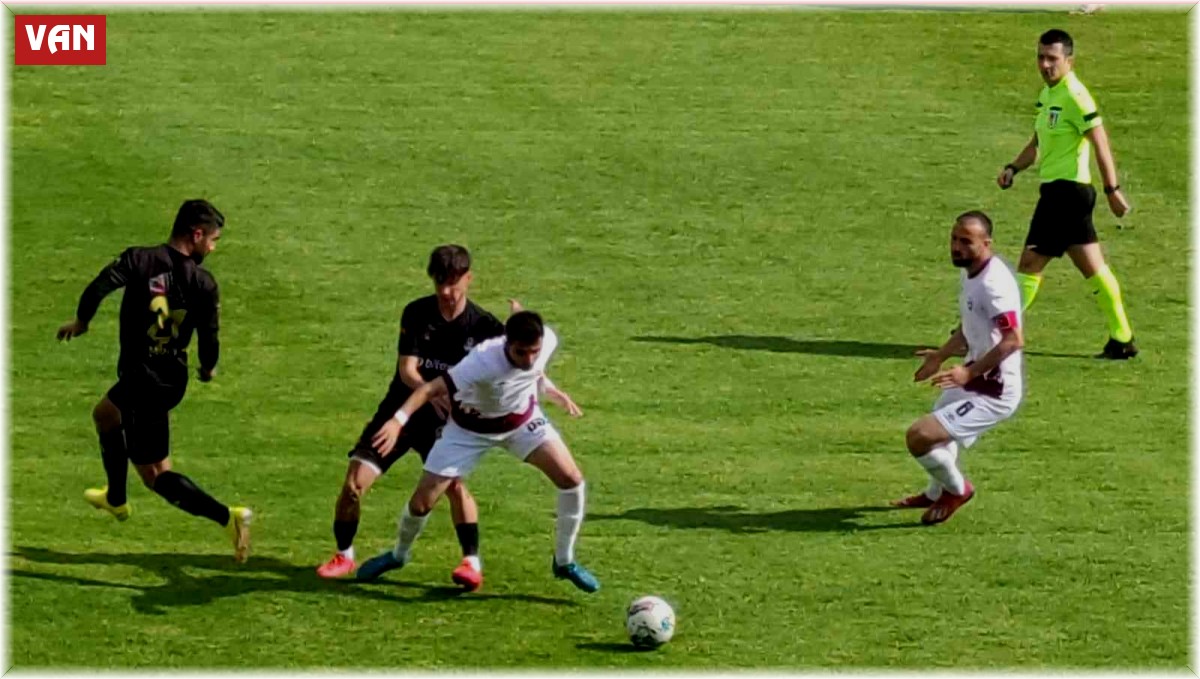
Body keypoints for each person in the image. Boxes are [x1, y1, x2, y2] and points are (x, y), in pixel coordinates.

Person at [56, 199, 253, 561]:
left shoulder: (138, 259)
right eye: (213, 240)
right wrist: (208, 367)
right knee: (107, 416)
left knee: (156, 475)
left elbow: (98, 287)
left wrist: (82, 321)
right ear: (196, 234)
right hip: (170, 378)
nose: (213, 248)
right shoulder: (204, 283)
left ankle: (228, 517)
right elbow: (210, 336)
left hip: (144, 380)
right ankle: (116, 498)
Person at [355, 311, 597, 593]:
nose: (529, 359)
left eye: (535, 351)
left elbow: (535, 369)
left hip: (522, 423)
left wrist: (549, 388)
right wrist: (397, 422)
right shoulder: (481, 361)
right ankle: (398, 555)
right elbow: (430, 390)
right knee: (421, 503)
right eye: (521, 352)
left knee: (572, 480)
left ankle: (564, 561)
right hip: (467, 431)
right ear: (507, 343)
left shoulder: (547, 340)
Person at [316, 245, 505, 592]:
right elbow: (407, 371)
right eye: (439, 283)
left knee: (454, 486)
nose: (446, 292)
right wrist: (433, 392)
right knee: (354, 485)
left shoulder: (485, 326)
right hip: (399, 414)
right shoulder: (417, 313)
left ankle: (471, 562)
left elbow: (517, 363)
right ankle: (344, 555)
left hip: (443, 422)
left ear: (469, 279)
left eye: (453, 283)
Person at [997, 28, 1136, 359]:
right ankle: (1122, 338)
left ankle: (989, 333)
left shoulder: (1075, 96)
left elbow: (1100, 142)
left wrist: (1112, 189)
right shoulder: (1048, 95)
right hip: (1064, 194)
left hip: (1066, 194)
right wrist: (1014, 167)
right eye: (1040, 57)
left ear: (1069, 61)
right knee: (1093, 267)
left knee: (1030, 264)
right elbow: (1037, 143)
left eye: (1052, 59)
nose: (1045, 65)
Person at [894, 211, 1025, 525]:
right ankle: (936, 493)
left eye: (966, 241)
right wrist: (940, 355)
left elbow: (1014, 340)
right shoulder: (972, 272)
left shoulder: (994, 285)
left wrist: (968, 373)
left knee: (920, 436)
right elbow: (970, 325)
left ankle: (958, 490)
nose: (956, 247)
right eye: (954, 239)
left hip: (995, 390)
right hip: (976, 377)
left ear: (986, 243)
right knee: (938, 430)